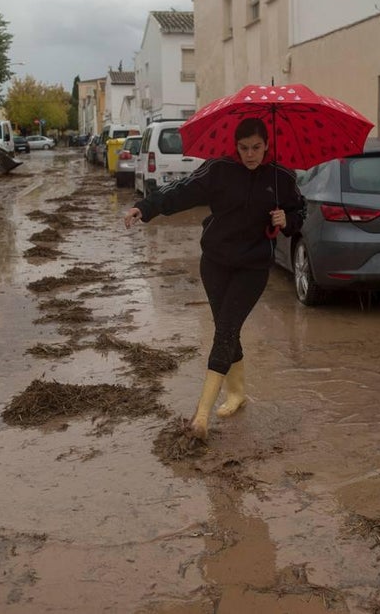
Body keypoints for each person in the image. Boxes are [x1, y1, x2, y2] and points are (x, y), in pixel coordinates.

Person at [123, 117, 305, 439]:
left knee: (225, 330)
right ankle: (237, 393)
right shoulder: (219, 170)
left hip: (253, 268)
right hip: (216, 264)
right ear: (235, 147)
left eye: (257, 148)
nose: (250, 155)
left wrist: (287, 218)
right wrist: (145, 207)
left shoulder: (281, 178)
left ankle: (201, 416)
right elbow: (182, 191)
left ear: (266, 146)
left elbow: (300, 214)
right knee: (226, 326)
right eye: (244, 148)